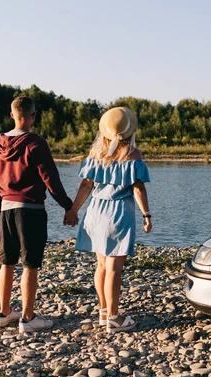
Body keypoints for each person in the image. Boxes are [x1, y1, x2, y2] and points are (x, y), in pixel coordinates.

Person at [0, 96, 73, 333]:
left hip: (6, 208)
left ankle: (4, 313)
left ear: (12, 114)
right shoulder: (36, 143)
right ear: (33, 116)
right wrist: (68, 206)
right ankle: (27, 318)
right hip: (31, 210)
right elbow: (51, 179)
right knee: (30, 265)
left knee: (6, 262)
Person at [64, 107, 152, 333]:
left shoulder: (96, 155)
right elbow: (138, 188)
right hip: (118, 212)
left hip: (95, 211)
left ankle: (104, 311)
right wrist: (146, 215)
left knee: (101, 265)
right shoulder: (133, 155)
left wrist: (73, 211)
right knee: (114, 268)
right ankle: (113, 317)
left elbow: (85, 186)